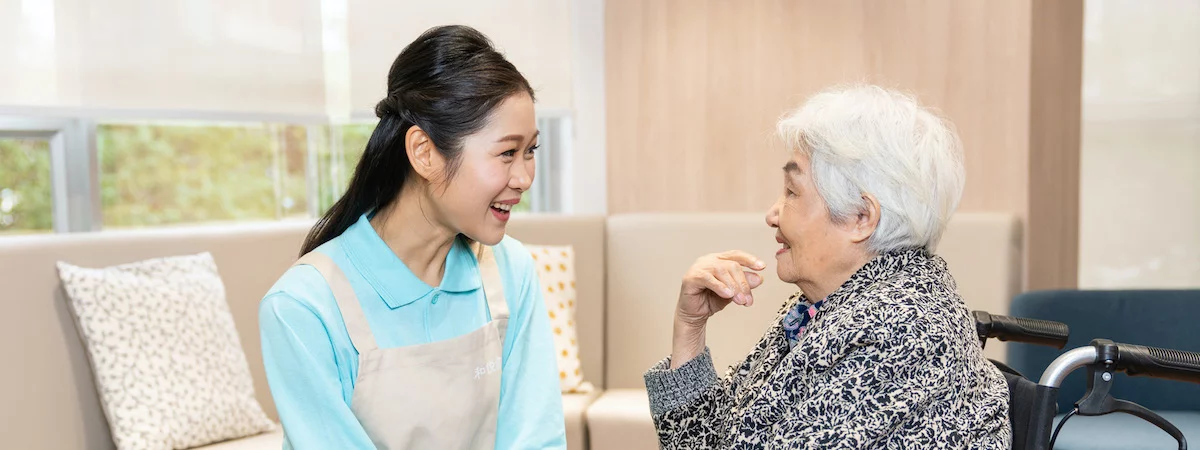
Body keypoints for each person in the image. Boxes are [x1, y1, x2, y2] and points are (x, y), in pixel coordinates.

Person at [643, 84, 1011, 449]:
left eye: (792, 192)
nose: (772, 215)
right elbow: (706, 442)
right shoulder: (823, 307)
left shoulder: (902, 331)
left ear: (860, 217)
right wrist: (690, 327)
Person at [259, 25, 566, 450]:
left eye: (530, 150)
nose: (524, 177)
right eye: (507, 153)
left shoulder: (512, 271)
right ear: (424, 152)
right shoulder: (303, 307)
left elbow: (537, 440)